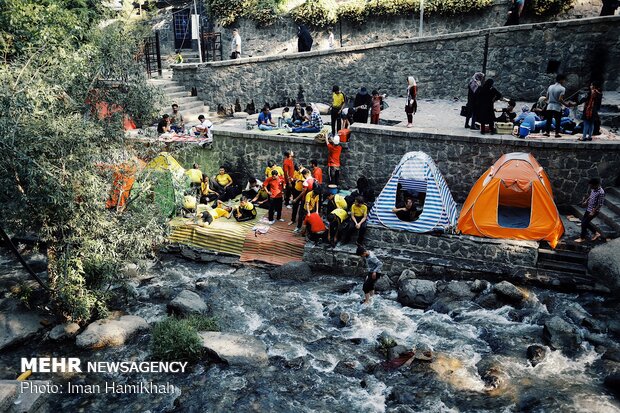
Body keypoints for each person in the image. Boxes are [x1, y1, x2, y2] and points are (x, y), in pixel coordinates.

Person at [575, 178, 605, 243]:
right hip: (588, 208)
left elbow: (600, 204)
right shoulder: (593, 189)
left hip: (594, 211)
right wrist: (586, 201)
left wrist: (593, 212)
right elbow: (591, 196)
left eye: (591, 185)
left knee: (584, 224)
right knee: (584, 222)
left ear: (596, 185)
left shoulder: (601, 192)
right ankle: (596, 233)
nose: (590, 186)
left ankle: (582, 238)